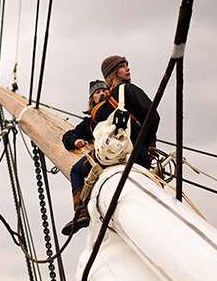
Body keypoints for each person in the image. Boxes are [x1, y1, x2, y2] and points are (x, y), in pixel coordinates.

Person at [60, 56, 159, 235]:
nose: (127, 69)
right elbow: (151, 118)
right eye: (122, 67)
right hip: (135, 152)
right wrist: (76, 141)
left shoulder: (98, 115)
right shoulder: (119, 97)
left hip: (110, 158)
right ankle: (82, 212)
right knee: (78, 169)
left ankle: (81, 211)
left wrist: (148, 145)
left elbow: (151, 119)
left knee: (77, 171)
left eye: (127, 65)